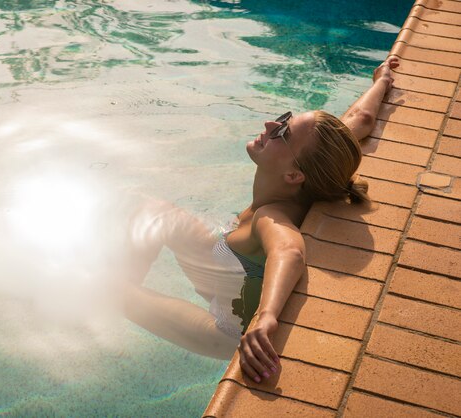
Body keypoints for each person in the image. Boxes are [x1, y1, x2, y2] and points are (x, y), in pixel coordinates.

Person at [122, 57, 399, 383]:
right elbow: (360, 119)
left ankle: (121, 290)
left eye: (282, 131)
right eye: (284, 118)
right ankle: (127, 278)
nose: (270, 124)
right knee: (154, 210)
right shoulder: (312, 162)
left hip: (225, 328)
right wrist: (382, 81)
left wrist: (266, 319)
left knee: (108, 291)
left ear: (293, 174)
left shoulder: (271, 217)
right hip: (224, 267)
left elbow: (289, 251)